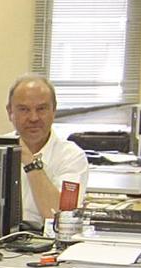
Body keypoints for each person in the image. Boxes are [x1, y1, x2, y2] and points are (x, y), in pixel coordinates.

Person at [5, 74, 89, 228]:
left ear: (54, 111)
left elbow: (60, 218)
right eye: (24, 109)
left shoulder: (72, 156)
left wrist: (30, 162)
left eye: (41, 109)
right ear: (10, 112)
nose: (34, 118)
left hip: (47, 243)